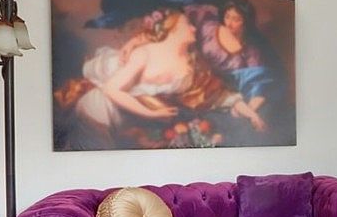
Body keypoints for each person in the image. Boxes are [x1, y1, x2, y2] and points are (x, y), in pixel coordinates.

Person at [71, 10, 266, 136]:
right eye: (187, 24)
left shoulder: (193, 67)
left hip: (128, 120)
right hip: (100, 109)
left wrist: (252, 115)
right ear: (173, 28)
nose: (193, 28)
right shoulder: (146, 52)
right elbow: (111, 89)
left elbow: (220, 96)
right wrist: (151, 113)